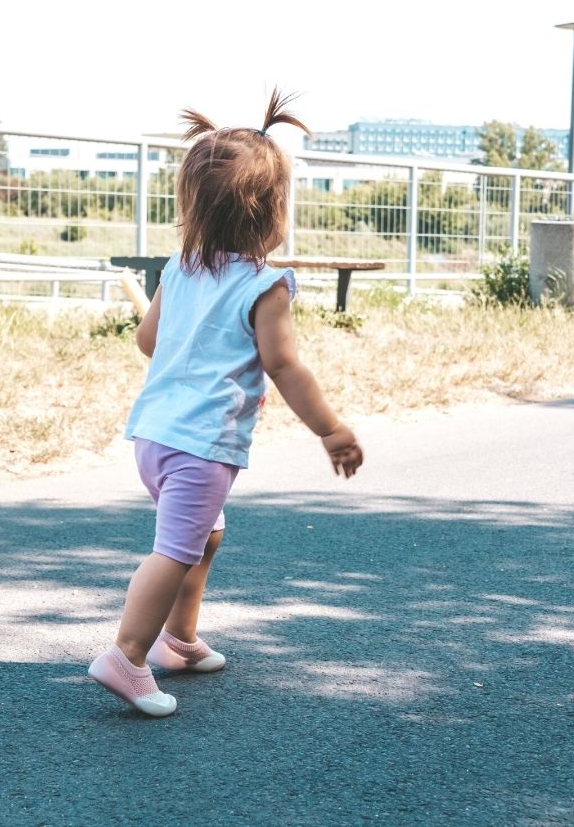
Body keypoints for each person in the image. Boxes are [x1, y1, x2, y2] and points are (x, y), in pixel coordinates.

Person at [88, 89, 364, 717]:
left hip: (154, 436)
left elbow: (148, 340)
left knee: (203, 537)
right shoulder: (266, 284)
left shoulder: (181, 270)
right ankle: (127, 657)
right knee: (176, 549)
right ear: (268, 213)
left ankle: (177, 641)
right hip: (201, 446)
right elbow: (284, 363)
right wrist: (331, 429)